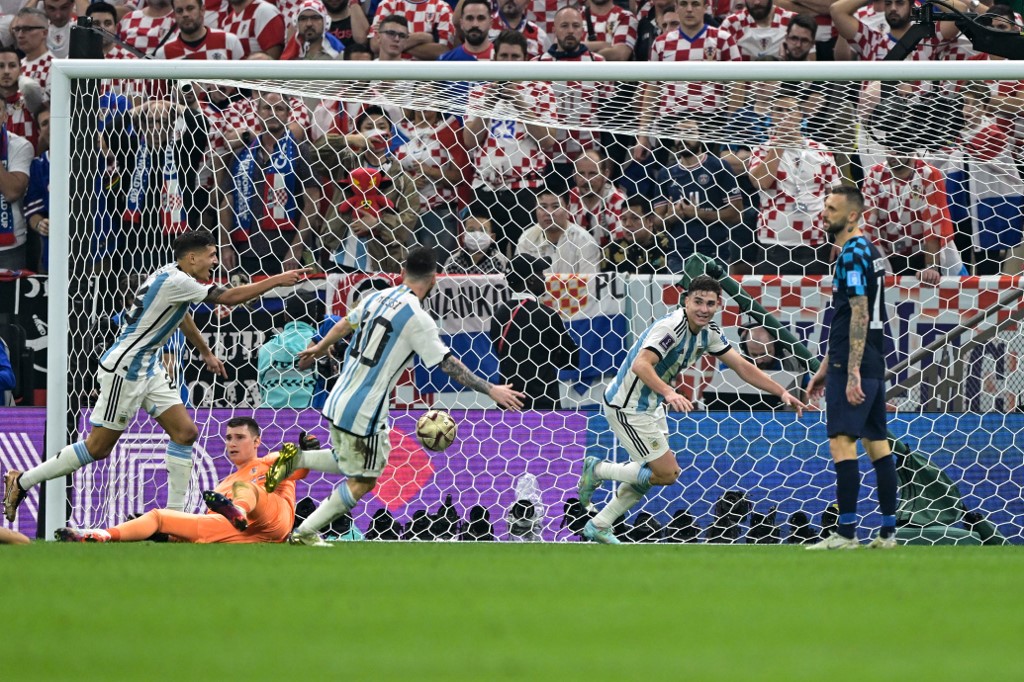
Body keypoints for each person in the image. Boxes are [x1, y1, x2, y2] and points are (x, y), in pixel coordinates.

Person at [3, 230, 310, 523]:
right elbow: (228, 298)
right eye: (211, 255)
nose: (215, 262)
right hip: (125, 370)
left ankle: (174, 518)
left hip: (148, 367)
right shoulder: (177, 280)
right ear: (192, 258)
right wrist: (277, 280)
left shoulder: (172, 276)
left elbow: (182, 314)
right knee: (98, 448)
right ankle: (23, 480)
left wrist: (205, 351)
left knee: (185, 433)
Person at [263, 246, 524, 545]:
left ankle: (296, 460)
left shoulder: (376, 297)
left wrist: (321, 347)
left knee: (352, 459)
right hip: (365, 408)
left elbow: (345, 323)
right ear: (434, 280)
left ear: (402, 273)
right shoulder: (417, 318)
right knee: (363, 480)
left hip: (338, 397)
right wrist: (491, 389)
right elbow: (447, 363)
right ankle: (305, 531)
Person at [576, 274, 807, 544]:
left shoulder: (710, 333)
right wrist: (669, 392)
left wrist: (781, 391)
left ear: (719, 305)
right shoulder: (672, 327)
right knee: (665, 473)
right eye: (698, 302)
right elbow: (641, 364)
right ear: (686, 301)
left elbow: (742, 367)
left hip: (651, 405)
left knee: (652, 474)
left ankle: (600, 524)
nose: (703, 309)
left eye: (710, 303)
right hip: (627, 405)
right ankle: (598, 470)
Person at [805, 185, 897, 550]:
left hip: (855, 362)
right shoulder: (870, 251)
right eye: (825, 206)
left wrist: (850, 370)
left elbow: (859, 313)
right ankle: (888, 533)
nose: (824, 213)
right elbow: (847, 316)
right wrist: (826, 366)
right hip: (871, 357)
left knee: (842, 443)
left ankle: (846, 534)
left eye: (832, 208)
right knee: (878, 445)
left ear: (853, 215)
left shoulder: (852, 254)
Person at [54, 417, 307, 544]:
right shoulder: (222, 486)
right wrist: (166, 535)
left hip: (273, 521)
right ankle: (99, 535)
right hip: (243, 535)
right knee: (159, 517)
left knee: (247, 489)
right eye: (228, 438)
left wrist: (307, 451)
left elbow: (300, 469)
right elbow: (202, 531)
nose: (232, 443)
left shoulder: (268, 461)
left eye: (239, 437)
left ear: (257, 441)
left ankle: (238, 511)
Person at [490, 253, 579, 409]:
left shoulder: (498, 315)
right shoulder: (547, 315)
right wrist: (551, 355)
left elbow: (501, 353)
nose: (544, 278)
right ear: (530, 280)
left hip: (509, 404)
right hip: (544, 404)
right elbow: (572, 359)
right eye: (540, 273)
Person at [516, 188, 601, 274]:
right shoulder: (526, 240)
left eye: (556, 206)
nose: (548, 213)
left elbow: (590, 280)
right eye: (543, 207)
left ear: (567, 209)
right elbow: (519, 279)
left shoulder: (585, 241)